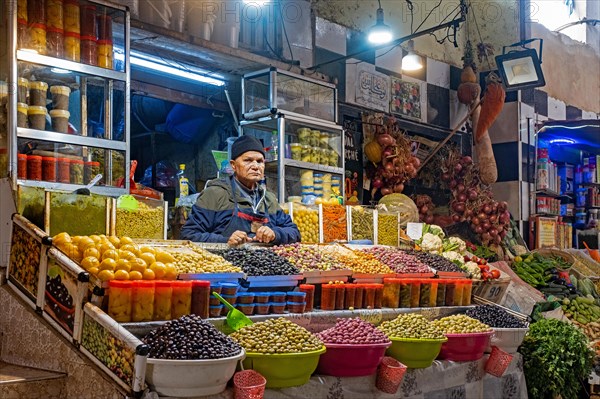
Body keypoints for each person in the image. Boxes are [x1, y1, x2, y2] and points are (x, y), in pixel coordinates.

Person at [180, 135, 301, 246]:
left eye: (259, 161)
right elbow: (189, 234)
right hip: (225, 266)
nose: (255, 166)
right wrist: (225, 241)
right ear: (233, 165)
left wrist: (275, 234)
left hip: (263, 266)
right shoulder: (215, 194)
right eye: (247, 160)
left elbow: (294, 232)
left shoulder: (268, 199)